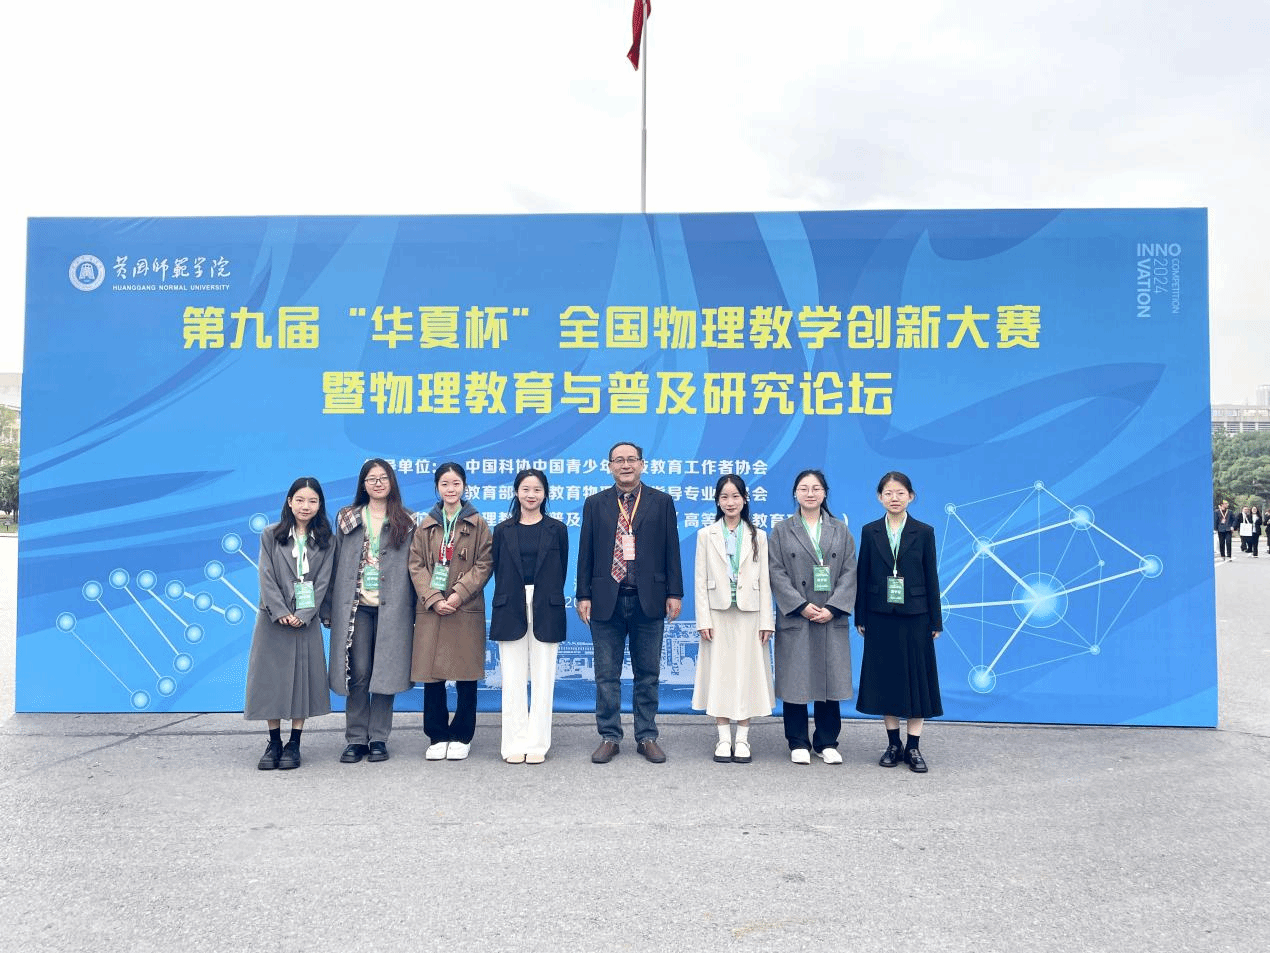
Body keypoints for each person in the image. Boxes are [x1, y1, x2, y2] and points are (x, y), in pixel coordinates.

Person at [576, 441, 683, 764]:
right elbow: (586, 553)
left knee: (647, 674)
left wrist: (674, 593)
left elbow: (672, 550)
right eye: (619, 460)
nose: (625, 465)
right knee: (606, 676)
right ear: (609, 466)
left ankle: (647, 736)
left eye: (631, 459)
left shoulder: (661, 502)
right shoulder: (595, 504)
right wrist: (583, 595)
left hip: (648, 599)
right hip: (605, 600)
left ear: (642, 464)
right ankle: (609, 736)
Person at [325, 459, 417, 764]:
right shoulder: (348, 517)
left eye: (383, 478)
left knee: (385, 673)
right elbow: (334, 563)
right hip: (357, 608)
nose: (378, 483)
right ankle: (355, 739)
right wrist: (328, 607)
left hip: (394, 608)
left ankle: (379, 738)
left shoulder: (407, 520)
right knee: (359, 672)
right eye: (371, 479)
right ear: (363, 485)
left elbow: (415, 568)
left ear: (392, 482)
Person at [854, 471, 943, 774]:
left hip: (916, 616)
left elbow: (931, 577)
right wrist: (861, 615)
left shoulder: (924, 531)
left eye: (900, 493)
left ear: (911, 496)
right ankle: (893, 744)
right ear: (879, 497)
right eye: (888, 493)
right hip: (879, 615)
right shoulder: (870, 531)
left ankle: (913, 747)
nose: (894, 498)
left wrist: (936, 619)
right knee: (887, 680)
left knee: (917, 682)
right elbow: (863, 574)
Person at [768, 469, 857, 766]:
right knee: (795, 679)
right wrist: (800, 605)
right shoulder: (782, 530)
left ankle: (827, 741)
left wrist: (834, 607)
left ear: (825, 493)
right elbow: (776, 572)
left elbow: (850, 571)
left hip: (830, 615)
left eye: (816, 488)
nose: (810, 493)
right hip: (798, 616)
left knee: (829, 679)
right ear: (795, 493)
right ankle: (797, 741)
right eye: (804, 488)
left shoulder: (840, 530)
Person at [245, 477, 335, 770]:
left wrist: (305, 614)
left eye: (312, 501)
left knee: (302, 681)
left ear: (319, 505)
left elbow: (323, 581)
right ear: (289, 502)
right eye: (300, 500)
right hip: (273, 619)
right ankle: (274, 741)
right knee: (270, 680)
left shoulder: (327, 540)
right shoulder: (271, 534)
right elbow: (266, 575)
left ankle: (294, 743)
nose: (305, 506)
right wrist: (281, 610)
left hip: (305, 621)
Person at [409, 462, 493, 761]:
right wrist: (433, 598)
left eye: (456, 483)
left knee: (466, 673)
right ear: (437, 488)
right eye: (445, 484)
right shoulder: (425, 524)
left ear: (464, 486)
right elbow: (416, 564)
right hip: (432, 608)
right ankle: (437, 734)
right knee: (432, 675)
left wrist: (458, 595)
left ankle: (462, 734)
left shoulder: (477, 523)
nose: (450, 489)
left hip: (464, 607)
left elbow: (484, 564)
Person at [692, 475, 775, 764]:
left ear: (745, 500)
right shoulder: (706, 535)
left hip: (750, 615)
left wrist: (767, 621)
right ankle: (723, 738)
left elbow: (765, 580)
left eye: (735, 496)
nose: (730, 502)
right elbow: (700, 580)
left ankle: (742, 739)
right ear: (717, 501)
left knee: (747, 674)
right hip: (718, 614)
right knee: (720, 675)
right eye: (725, 497)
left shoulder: (758, 535)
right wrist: (703, 619)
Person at [489, 469, 569, 764]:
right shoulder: (502, 530)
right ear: (516, 492)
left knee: (543, 678)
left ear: (545, 494)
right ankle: (513, 743)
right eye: (525, 489)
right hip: (510, 605)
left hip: (546, 605)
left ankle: (537, 743)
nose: (531, 495)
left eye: (537, 490)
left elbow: (561, 568)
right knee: (512, 680)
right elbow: (498, 569)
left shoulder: (557, 529)